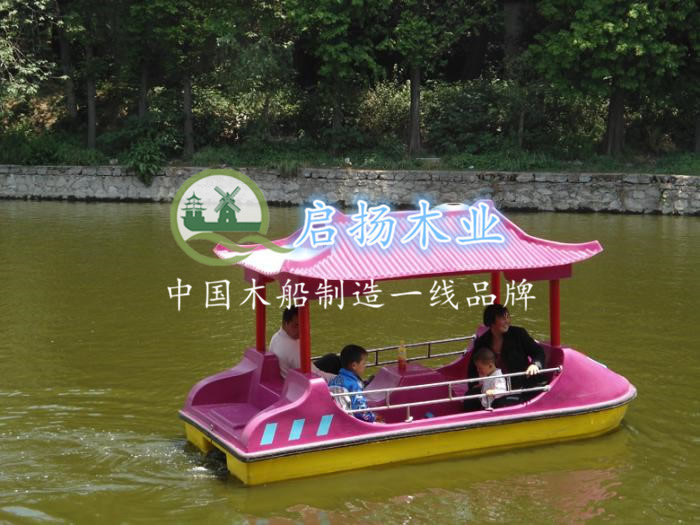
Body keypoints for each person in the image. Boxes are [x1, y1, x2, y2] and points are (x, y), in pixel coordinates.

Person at [465, 303, 545, 408]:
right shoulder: (482, 342)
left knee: (498, 404)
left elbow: (538, 352)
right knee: (469, 399)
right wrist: (475, 385)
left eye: (508, 317)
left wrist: (535, 365)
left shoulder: (519, 334)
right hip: (493, 385)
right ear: (491, 321)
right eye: (503, 318)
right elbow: (473, 367)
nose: (507, 321)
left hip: (518, 386)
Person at [269, 307, 337, 382]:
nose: (300, 330)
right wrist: (337, 378)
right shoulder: (292, 348)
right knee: (336, 366)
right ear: (285, 323)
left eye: (302, 324)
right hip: (303, 381)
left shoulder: (276, 337)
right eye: (296, 325)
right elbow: (313, 375)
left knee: (332, 359)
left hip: (295, 375)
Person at [328, 344, 378, 423]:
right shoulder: (354, 385)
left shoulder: (334, 380)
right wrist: (373, 417)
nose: (365, 366)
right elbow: (360, 411)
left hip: (336, 418)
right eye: (364, 363)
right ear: (354, 365)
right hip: (349, 422)